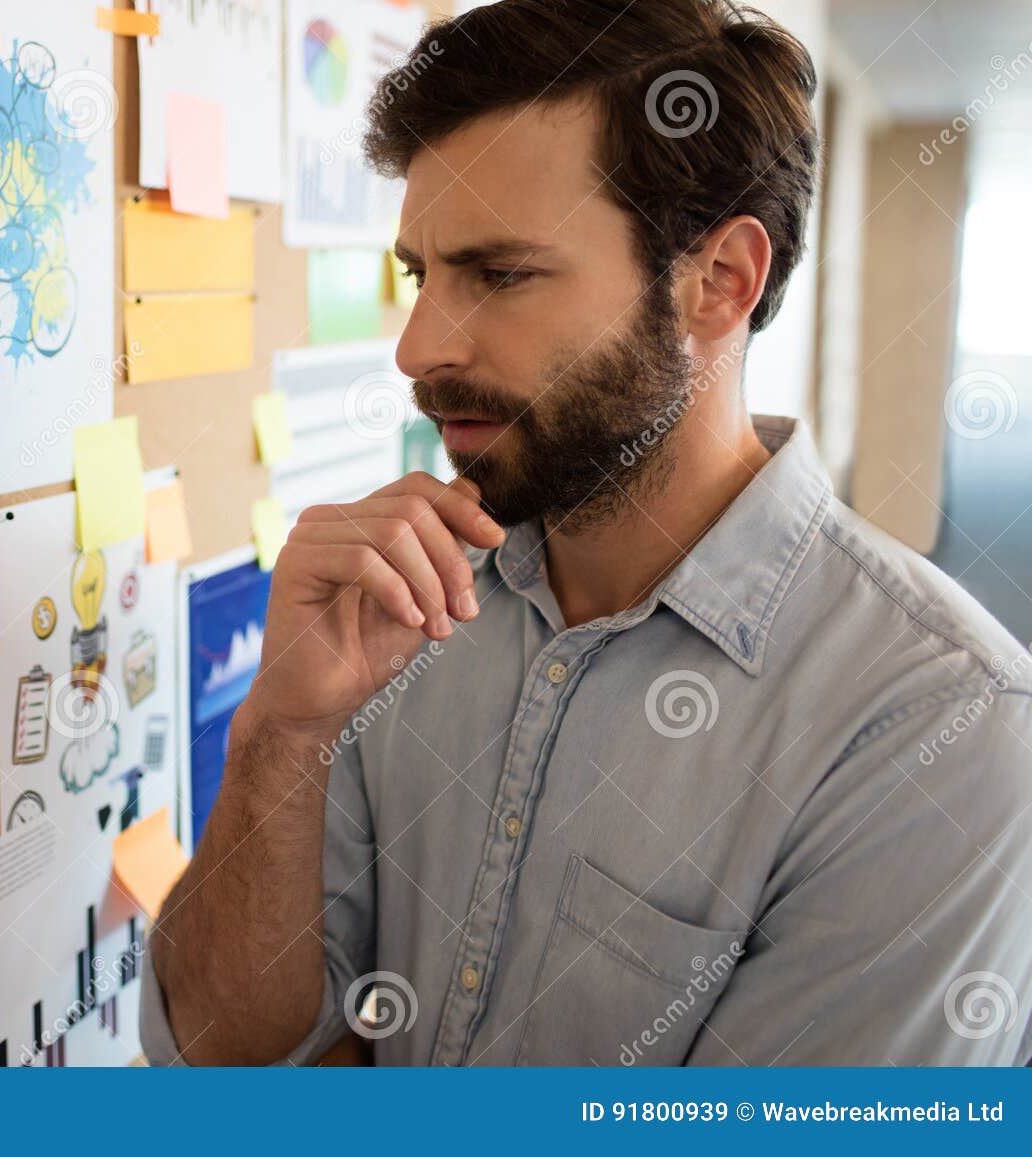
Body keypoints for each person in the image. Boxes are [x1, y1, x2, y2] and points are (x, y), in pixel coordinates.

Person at [143, 0, 1032, 1066]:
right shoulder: (398, 607)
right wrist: (278, 733)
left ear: (719, 282)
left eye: (500, 274)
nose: (419, 346)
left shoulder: (939, 727)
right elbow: (216, 1050)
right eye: (421, 274)